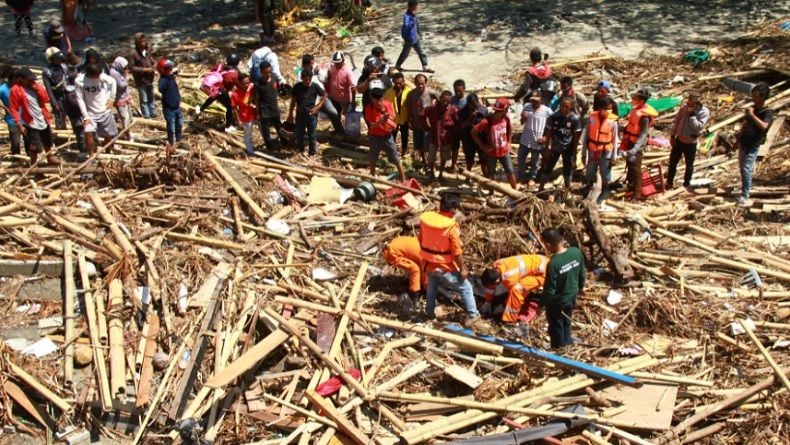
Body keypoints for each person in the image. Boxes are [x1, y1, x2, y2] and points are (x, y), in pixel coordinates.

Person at [418, 193, 486, 330]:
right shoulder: (451, 228)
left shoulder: (427, 220)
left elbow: (421, 239)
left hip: (429, 263)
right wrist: (463, 268)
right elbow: (456, 252)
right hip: (445, 266)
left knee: (432, 287)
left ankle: (429, 313)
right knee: (466, 287)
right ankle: (474, 316)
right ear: (454, 209)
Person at [539, 228, 585, 349]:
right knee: (566, 321)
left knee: (556, 325)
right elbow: (582, 273)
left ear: (548, 244)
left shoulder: (554, 263)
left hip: (558, 301)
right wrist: (581, 287)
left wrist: (540, 305)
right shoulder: (575, 252)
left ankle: (559, 350)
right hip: (572, 296)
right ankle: (567, 344)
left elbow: (549, 290)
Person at [480, 254, 548, 331]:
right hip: (540, 261)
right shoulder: (497, 265)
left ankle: (510, 321)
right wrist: (487, 302)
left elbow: (519, 294)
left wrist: (508, 304)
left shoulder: (511, 278)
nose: (492, 289)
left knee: (516, 290)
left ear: (497, 281)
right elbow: (491, 287)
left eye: (493, 287)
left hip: (545, 272)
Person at [734, 82, 773, 207]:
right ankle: (744, 189)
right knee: (742, 168)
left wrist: (752, 115)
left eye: (756, 96)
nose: (753, 99)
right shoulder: (753, 108)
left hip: (753, 144)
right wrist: (737, 140)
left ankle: (745, 195)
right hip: (744, 142)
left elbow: (764, 126)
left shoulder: (767, 112)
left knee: (747, 169)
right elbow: (745, 125)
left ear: (763, 97)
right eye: (753, 96)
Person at [9, 68, 58, 164]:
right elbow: (13, 108)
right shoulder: (16, 90)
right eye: (28, 80)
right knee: (35, 147)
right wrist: (19, 124)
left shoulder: (36, 86)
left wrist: (38, 88)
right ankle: (34, 165)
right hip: (30, 122)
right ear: (21, 79)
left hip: (42, 118)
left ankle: (50, 158)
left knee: (48, 141)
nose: (31, 81)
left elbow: (45, 99)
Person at [619, 89, 658, 199]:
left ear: (641, 101)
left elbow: (643, 134)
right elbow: (631, 125)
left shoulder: (644, 117)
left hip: (637, 145)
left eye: (635, 98)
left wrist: (636, 148)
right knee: (630, 165)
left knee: (636, 168)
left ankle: (637, 194)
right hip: (630, 141)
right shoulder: (635, 110)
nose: (633, 100)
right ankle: (630, 186)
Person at [471, 97, 517, 190]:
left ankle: (515, 191)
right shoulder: (487, 121)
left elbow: (510, 129)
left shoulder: (506, 119)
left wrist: (509, 142)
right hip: (491, 153)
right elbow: (473, 132)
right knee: (491, 174)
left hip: (504, 151)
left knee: (510, 171)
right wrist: (482, 146)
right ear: (504, 110)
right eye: (507, 109)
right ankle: (491, 192)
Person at [666, 93, 710, 190]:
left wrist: (692, 116)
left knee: (689, 165)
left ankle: (686, 184)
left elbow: (698, 127)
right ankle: (669, 182)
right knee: (673, 162)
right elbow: (676, 122)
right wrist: (673, 136)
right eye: (689, 99)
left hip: (690, 142)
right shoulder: (684, 108)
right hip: (679, 140)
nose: (688, 102)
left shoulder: (704, 111)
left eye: (691, 100)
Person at [539, 97, 582, 191]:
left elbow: (576, 137)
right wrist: (546, 149)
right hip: (555, 146)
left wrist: (574, 152)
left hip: (568, 147)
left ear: (570, 107)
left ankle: (567, 187)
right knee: (548, 166)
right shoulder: (553, 117)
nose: (564, 109)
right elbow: (548, 134)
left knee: (567, 168)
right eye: (562, 106)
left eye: (566, 107)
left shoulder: (575, 119)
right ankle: (541, 187)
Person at [363, 87, 406, 181]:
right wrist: (381, 121)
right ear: (373, 99)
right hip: (375, 136)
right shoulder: (368, 109)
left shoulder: (388, 104)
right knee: (373, 157)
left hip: (387, 136)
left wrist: (385, 118)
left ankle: (403, 178)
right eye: (377, 101)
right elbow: (372, 126)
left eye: (381, 100)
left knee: (395, 157)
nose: (380, 103)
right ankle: (372, 174)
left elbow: (393, 119)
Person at [76, 63, 117, 156]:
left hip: (104, 111)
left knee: (108, 134)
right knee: (88, 132)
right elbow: (80, 99)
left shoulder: (101, 76)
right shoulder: (80, 81)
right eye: (96, 75)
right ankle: (91, 156)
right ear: (90, 74)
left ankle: (107, 153)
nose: (99, 77)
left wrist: (112, 99)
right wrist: (85, 116)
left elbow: (113, 82)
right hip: (90, 113)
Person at [298, 54, 343, 135]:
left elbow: (325, 79)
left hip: (322, 97)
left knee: (333, 112)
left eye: (313, 63)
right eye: (311, 63)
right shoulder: (301, 73)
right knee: (313, 119)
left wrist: (319, 71)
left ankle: (339, 131)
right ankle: (312, 137)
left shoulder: (315, 69)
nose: (313, 65)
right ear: (306, 64)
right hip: (312, 100)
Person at [583, 97, 618, 201]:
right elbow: (586, 136)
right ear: (600, 108)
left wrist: (614, 157)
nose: (609, 111)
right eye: (607, 109)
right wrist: (584, 153)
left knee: (605, 173)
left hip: (606, 152)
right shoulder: (592, 118)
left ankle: (605, 191)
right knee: (590, 171)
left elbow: (614, 140)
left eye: (610, 109)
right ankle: (589, 188)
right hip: (593, 150)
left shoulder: (613, 122)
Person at [383, 236, 426, 319]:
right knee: (417, 272)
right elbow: (417, 271)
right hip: (391, 253)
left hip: (395, 247)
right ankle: (415, 299)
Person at [197, 53, 241, 132]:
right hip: (221, 91)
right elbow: (235, 85)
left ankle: (200, 109)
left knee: (212, 98)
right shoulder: (233, 74)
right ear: (237, 63)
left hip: (213, 88)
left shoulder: (220, 66)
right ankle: (228, 126)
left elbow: (212, 72)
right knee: (229, 107)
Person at [420, 90, 458, 180]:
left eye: (447, 101)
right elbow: (421, 115)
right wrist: (427, 128)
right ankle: (432, 172)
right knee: (432, 157)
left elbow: (457, 121)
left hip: (446, 138)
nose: (445, 103)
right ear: (440, 98)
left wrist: (452, 131)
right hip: (433, 136)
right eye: (444, 100)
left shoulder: (453, 109)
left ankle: (441, 173)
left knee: (444, 157)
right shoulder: (431, 109)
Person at [518, 90, 552, 185]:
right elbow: (521, 122)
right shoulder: (527, 107)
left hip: (537, 140)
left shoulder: (547, 111)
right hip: (525, 139)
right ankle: (521, 177)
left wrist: (545, 138)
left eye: (536, 100)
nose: (534, 102)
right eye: (532, 100)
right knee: (521, 158)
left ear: (541, 100)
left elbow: (552, 126)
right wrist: (523, 117)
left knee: (535, 161)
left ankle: (532, 178)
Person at [288, 69, 325, 156]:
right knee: (299, 133)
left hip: (311, 114)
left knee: (312, 134)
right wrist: (290, 114)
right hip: (300, 114)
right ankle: (300, 150)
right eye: (306, 80)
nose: (308, 82)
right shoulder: (297, 87)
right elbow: (293, 101)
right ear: (302, 78)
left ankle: (312, 153)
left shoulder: (315, 86)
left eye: (309, 79)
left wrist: (319, 106)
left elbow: (324, 94)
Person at [251, 61, 283, 151]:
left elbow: (277, 89)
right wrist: (258, 112)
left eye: (269, 71)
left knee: (279, 127)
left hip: (274, 108)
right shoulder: (258, 84)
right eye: (266, 72)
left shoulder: (274, 77)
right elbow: (257, 99)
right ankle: (270, 147)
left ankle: (284, 142)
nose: (268, 74)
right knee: (266, 130)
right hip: (264, 110)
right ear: (261, 72)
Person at [403, 73, 433, 169]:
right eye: (418, 84)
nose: (421, 86)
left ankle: (429, 162)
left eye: (422, 84)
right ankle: (423, 159)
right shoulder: (411, 94)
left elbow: (441, 99)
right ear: (415, 83)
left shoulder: (430, 93)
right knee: (418, 143)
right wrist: (409, 121)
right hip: (416, 124)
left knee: (427, 144)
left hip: (427, 124)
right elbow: (408, 108)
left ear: (426, 83)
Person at [395, 0, 432, 73]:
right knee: (405, 53)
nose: (415, 9)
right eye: (414, 7)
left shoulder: (414, 15)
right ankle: (398, 65)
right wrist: (412, 18)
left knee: (421, 52)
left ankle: (425, 66)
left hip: (416, 37)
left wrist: (420, 34)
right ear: (410, 7)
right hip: (409, 39)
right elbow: (406, 25)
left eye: (416, 7)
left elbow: (417, 25)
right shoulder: (407, 16)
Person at [458, 93, 488, 174]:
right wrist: (471, 116)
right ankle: (468, 176)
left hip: (481, 138)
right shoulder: (463, 111)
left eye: (475, 104)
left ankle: (486, 176)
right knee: (469, 159)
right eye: (471, 105)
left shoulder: (483, 110)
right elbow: (462, 126)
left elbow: (487, 123)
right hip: (468, 138)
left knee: (483, 158)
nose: (473, 106)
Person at [129, 33, 157, 119]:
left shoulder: (146, 50)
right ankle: (146, 115)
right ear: (137, 42)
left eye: (145, 41)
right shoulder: (133, 53)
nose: (143, 43)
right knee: (144, 98)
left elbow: (151, 60)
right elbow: (132, 68)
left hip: (149, 78)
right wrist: (145, 70)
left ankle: (152, 112)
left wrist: (154, 64)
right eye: (141, 41)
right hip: (141, 80)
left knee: (151, 97)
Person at [384, 71, 411, 155]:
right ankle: (392, 152)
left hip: (405, 118)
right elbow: (385, 106)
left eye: (400, 83)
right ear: (393, 82)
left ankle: (404, 151)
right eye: (396, 83)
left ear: (403, 81)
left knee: (404, 135)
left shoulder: (409, 92)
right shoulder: (389, 93)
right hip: (393, 119)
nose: (398, 85)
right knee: (392, 136)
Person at [230, 73, 258, 155]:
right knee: (248, 134)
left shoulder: (251, 87)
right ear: (239, 83)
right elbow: (234, 108)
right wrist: (238, 120)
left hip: (256, 114)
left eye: (248, 82)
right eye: (244, 83)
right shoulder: (235, 94)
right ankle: (250, 151)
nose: (247, 85)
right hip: (245, 117)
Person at [42, 47, 69, 130]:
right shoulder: (47, 71)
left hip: (66, 94)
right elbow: (48, 89)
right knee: (59, 115)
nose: (59, 61)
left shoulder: (63, 67)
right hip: (56, 96)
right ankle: (60, 132)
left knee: (66, 114)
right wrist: (54, 103)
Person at [157, 58, 182, 146]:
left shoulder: (171, 78)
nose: (171, 70)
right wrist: (168, 78)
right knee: (171, 127)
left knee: (179, 124)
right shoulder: (163, 80)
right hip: (169, 108)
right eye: (169, 69)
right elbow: (161, 89)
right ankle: (171, 142)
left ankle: (179, 139)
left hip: (176, 106)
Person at [326, 51, 357, 123]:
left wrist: (353, 102)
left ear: (343, 60)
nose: (336, 64)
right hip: (334, 97)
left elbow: (353, 88)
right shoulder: (332, 67)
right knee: (336, 114)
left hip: (345, 100)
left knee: (348, 116)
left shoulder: (348, 72)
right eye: (335, 63)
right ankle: (339, 129)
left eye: (338, 63)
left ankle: (348, 130)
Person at [109, 56, 133, 141]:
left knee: (129, 117)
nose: (126, 69)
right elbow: (121, 85)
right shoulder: (114, 73)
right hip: (120, 99)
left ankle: (129, 132)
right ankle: (128, 135)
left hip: (124, 97)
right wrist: (126, 77)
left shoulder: (119, 72)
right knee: (125, 117)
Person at [0, 67, 23, 156]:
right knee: (15, 142)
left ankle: (30, 160)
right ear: (13, 78)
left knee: (29, 141)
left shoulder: (22, 87)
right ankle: (17, 159)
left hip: (25, 118)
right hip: (12, 120)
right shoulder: (2, 89)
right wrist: (4, 107)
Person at [449, 79, 467, 170]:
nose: (458, 93)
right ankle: (453, 164)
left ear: (464, 89)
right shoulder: (452, 100)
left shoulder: (467, 101)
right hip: (455, 129)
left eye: (460, 91)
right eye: (456, 91)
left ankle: (468, 166)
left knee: (467, 148)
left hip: (465, 129)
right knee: (454, 147)